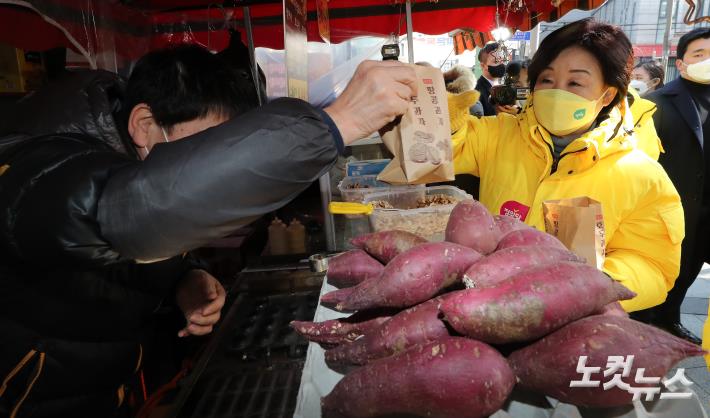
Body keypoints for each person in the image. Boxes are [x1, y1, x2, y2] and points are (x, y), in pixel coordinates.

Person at [0, 44, 416, 416]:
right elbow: (127, 211)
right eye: (204, 148)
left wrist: (183, 275)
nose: (206, 165)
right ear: (144, 124)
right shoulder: (32, 173)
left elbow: (127, 243)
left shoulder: (127, 155)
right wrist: (335, 124)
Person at [447, 18, 683, 313]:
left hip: (575, 321)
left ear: (607, 95)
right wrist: (440, 120)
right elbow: (439, 154)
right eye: (546, 80)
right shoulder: (497, 135)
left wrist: (592, 285)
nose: (557, 92)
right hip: (487, 304)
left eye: (575, 82)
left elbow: (650, 262)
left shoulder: (641, 175)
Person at [640, 28, 710, 344]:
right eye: (699, 54)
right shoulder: (655, 104)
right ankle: (648, 329)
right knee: (664, 273)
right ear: (680, 64)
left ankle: (671, 319)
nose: (707, 61)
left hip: (705, 210)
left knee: (690, 270)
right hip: (669, 211)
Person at [475, 41, 505, 116]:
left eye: (502, 60)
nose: (501, 64)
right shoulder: (477, 92)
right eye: (496, 61)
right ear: (483, 66)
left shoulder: (503, 87)